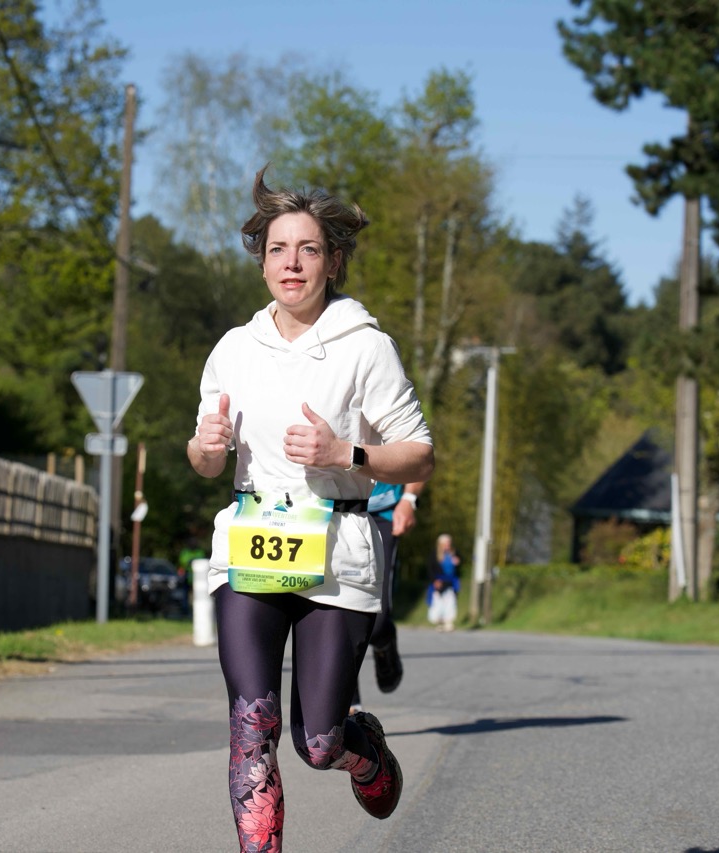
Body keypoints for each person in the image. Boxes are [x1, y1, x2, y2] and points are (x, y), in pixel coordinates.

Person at [188, 167, 435, 850]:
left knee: (318, 741)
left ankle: (365, 750)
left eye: (308, 249)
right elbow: (207, 461)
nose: (291, 263)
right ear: (261, 260)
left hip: (337, 552)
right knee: (252, 725)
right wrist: (204, 447)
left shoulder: (366, 347)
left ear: (332, 260)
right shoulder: (234, 350)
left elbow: (419, 456)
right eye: (277, 249)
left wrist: (345, 452)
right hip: (250, 544)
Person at [349, 479, 426, 713]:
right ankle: (349, 704)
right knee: (335, 616)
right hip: (332, 511)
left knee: (376, 619)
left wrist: (409, 499)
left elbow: (419, 460)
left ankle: (384, 641)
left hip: (382, 513)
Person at [427, 533, 460, 631]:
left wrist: (458, 562)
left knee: (450, 602)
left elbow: (459, 568)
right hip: (438, 582)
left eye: (449, 543)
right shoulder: (434, 554)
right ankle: (439, 622)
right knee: (438, 603)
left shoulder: (454, 553)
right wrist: (434, 580)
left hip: (450, 582)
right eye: (446, 543)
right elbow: (430, 569)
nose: (448, 545)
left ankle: (448, 622)